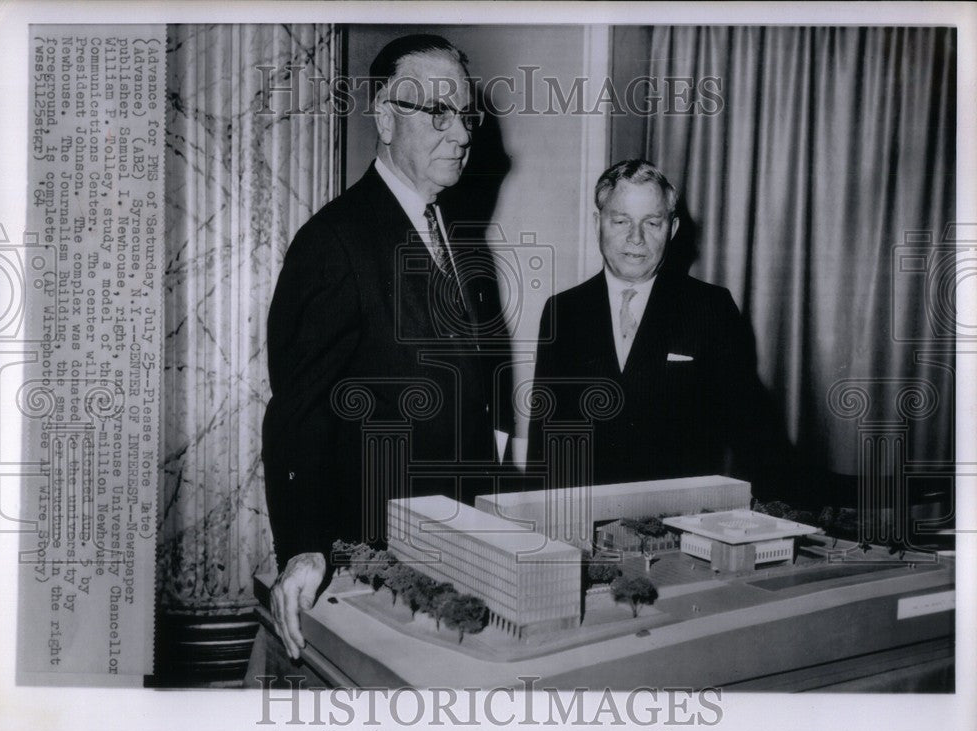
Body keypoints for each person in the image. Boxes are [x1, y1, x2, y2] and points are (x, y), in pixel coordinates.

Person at [262, 35, 514, 660]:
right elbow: (297, 413)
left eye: (465, 116)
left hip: (463, 545)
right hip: (379, 561)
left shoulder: (453, 235)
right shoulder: (333, 242)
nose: (461, 134)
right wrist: (303, 546)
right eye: (438, 113)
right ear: (383, 116)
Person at [527, 159, 764, 489]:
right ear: (598, 223)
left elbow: (752, 433)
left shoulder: (711, 308)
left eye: (652, 223)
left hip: (679, 521)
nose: (635, 238)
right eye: (621, 221)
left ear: (673, 228)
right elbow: (544, 439)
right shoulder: (563, 312)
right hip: (581, 520)